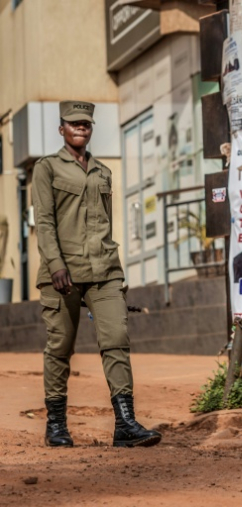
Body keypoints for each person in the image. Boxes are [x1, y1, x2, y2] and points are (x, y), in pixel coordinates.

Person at [32, 101, 162, 448]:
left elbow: (104, 223)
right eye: (74, 123)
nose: (81, 128)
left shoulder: (102, 172)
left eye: (86, 124)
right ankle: (56, 425)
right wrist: (56, 263)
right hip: (62, 273)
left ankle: (125, 424)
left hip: (104, 270)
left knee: (116, 339)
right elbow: (43, 222)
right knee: (60, 346)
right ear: (62, 128)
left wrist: (117, 271)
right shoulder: (47, 169)